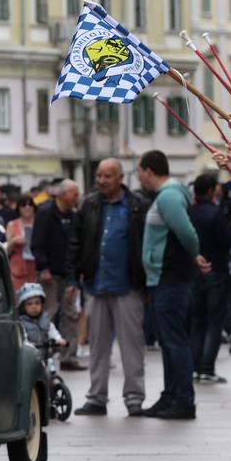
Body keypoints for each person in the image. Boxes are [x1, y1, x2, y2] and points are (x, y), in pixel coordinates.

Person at [72, 158, 150, 416]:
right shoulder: (89, 204)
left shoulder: (137, 205)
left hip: (128, 286)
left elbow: (145, 245)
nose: (102, 180)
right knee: (97, 346)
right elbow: (76, 241)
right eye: (99, 176)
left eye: (107, 176)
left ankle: (134, 398)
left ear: (120, 178)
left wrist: (146, 282)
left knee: (132, 346)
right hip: (96, 283)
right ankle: (96, 397)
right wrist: (75, 276)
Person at [138, 151, 207, 420]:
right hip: (165, 278)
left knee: (175, 341)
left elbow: (187, 232)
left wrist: (194, 253)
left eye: (139, 171)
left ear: (148, 170)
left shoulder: (167, 196)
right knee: (169, 341)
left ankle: (184, 400)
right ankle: (170, 396)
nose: (139, 177)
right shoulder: (168, 195)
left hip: (170, 278)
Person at [30, 180, 82, 369]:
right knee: (47, 314)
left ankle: (69, 356)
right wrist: (43, 267)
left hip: (68, 274)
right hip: (49, 274)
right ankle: (44, 355)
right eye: (74, 194)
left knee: (71, 315)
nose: (77, 198)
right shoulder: (45, 213)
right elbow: (37, 242)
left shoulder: (75, 216)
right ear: (62, 194)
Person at [190, 172, 231, 385]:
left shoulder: (189, 212)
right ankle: (207, 368)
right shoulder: (216, 213)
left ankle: (195, 367)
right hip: (216, 270)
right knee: (214, 322)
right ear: (210, 191)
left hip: (195, 272)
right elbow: (226, 241)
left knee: (197, 321)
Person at [16, 282, 66, 351]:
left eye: (37, 303)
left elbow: (52, 331)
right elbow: (22, 337)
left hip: (45, 354)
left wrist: (59, 339)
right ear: (23, 307)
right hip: (30, 355)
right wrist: (27, 344)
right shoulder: (22, 323)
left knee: (52, 360)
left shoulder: (45, 319)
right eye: (29, 304)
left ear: (42, 304)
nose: (34, 307)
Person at [6, 196, 37, 286]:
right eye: (23, 205)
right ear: (18, 208)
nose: (27, 207)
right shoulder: (12, 224)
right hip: (18, 270)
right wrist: (14, 240)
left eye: (30, 204)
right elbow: (7, 251)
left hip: (35, 269)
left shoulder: (39, 223)